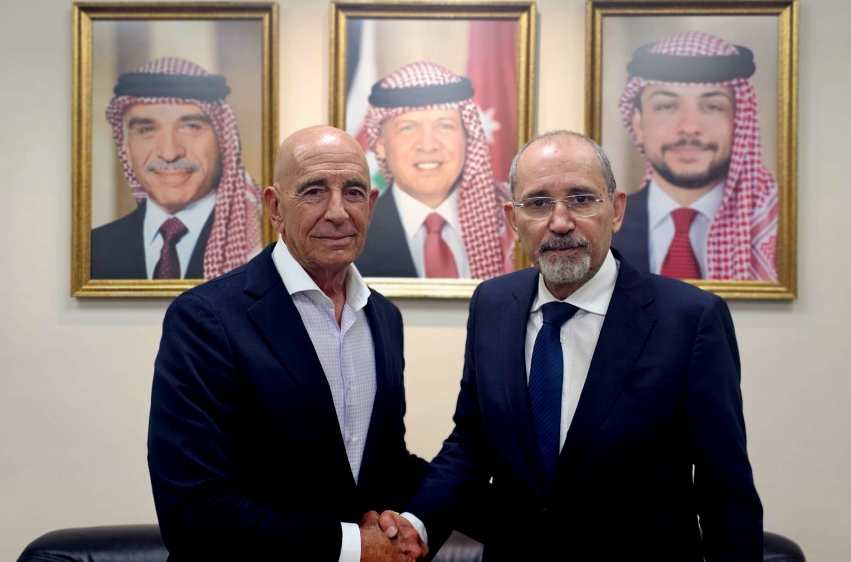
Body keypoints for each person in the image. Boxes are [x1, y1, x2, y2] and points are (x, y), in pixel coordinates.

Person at [381, 130, 763, 560]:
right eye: (538, 203)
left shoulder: (690, 320)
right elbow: (471, 443)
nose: (560, 222)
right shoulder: (492, 305)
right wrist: (416, 525)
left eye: (581, 199)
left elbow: (725, 493)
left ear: (617, 210)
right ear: (512, 219)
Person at [147, 126, 430, 561]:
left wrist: (513, 516)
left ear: (371, 205)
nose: (338, 212)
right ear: (275, 208)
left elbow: (386, 463)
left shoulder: (384, 318)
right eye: (314, 191)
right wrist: (355, 546)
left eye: (354, 192)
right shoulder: (206, 319)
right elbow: (193, 511)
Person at [611, 31, 778, 281]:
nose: (689, 127)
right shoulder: (603, 229)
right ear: (637, 122)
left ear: (739, 120)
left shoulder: (775, 228)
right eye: (666, 106)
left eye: (712, 107)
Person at [91, 56, 262, 280]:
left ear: (223, 141)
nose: (170, 153)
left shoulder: (264, 240)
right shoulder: (94, 249)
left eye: (191, 126)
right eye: (146, 130)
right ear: (126, 148)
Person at [355, 61, 514, 280]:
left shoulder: (511, 223)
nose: (428, 145)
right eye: (408, 128)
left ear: (467, 136)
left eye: (445, 126)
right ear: (380, 143)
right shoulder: (354, 231)